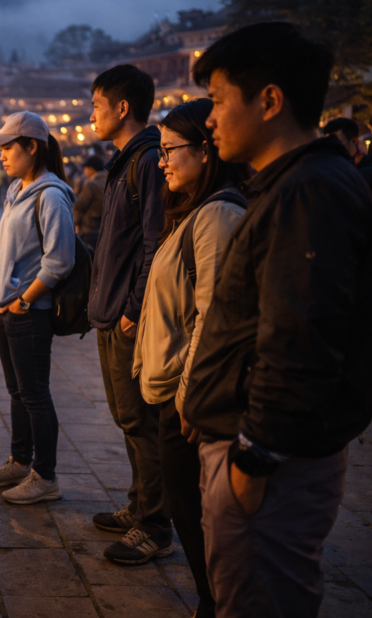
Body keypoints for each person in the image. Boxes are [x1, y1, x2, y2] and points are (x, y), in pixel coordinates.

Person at [183, 22, 372, 618]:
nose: (209, 119)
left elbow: (299, 342)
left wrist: (253, 457)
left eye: (218, 100)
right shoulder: (292, 185)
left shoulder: (307, 193)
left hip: (272, 470)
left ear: (269, 100)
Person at [133, 99, 250, 618]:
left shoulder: (218, 215)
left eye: (169, 150)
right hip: (176, 389)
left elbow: (213, 313)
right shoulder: (193, 212)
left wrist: (188, 397)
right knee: (188, 510)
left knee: (198, 514)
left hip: (190, 398)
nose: (161, 162)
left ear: (205, 151)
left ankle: (216, 603)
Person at [86, 64, 173, 564]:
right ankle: (139, 505)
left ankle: (155, 525)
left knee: (141, 420)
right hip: (110, 312)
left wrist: (132, 309)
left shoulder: (147, 161)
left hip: (126, 315)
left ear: (123, 108)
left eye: (96, 106)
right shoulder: (125, 161)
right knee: (127, 418)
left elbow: (153, 241)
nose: (91, 115)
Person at [0, 112, 76, 504]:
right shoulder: (17, 188)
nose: (0, 155)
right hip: (2, 307)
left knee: (35, 394)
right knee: (17, 391)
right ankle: (20, 461)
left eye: (7, 147)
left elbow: (60, 260)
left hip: (28, 313)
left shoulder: (51, 196)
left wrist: (23, 300)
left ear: (32, 147)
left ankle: (46, 477)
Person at [323, 116, 372, 187]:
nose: (332, 147)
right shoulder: (330, 168)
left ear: (354, 141)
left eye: (337, 142)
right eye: (329, 143)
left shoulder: (367, 167)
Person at [72, 156, 107, 248]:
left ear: (91, 169)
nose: (85, 172)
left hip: (90, 229)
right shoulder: (109, 181)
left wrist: (76, 224)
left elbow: (79, 206)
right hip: (106, 228)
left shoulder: (91, 184)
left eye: (86, 169)